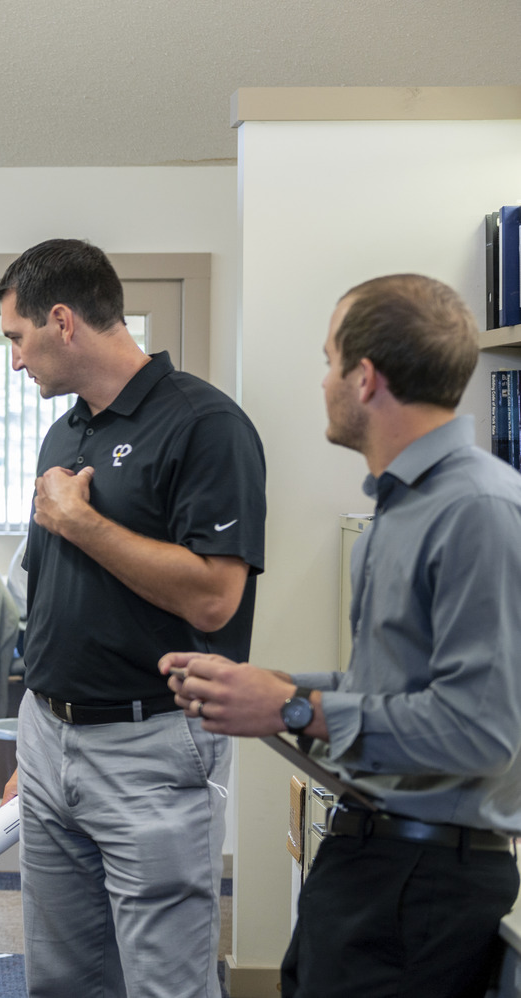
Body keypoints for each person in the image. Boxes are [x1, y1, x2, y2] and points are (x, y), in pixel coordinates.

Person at [162, 274, 521, 998]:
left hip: (421, 882)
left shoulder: (476, 508)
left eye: (329, 360)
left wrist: (295, 711)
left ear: (364, 379)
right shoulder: (407, 506)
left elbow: (481, 728)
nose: (321, 380)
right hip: (373, 861)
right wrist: (268, 690)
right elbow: (396, 691)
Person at [0, 239, 267, 998]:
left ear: (61, 321)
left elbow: (216, 596)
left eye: (18, 338)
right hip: (52, 737)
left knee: (164, 986)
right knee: (62, 981)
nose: (16, 361)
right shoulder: (66, 431)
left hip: (152, 746)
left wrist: (82, 523)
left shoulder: (206, 426)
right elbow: (52, 595)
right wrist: (35, 735)